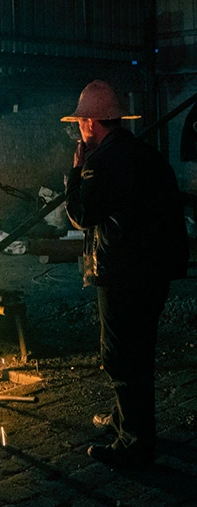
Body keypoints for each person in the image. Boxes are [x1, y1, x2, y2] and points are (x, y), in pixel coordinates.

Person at [62, 80, 189, 465]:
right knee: (141, 351)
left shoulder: (101, 163)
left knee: (120, 357)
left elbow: (83, 216)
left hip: (123, 275)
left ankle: (134, 443)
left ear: (90, 124)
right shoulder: (146, 155)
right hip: (156, 274)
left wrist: (75, 172)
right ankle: (127, 420)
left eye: (81, 123)